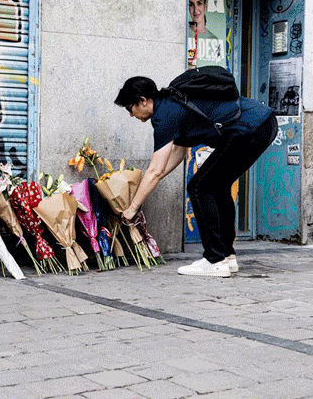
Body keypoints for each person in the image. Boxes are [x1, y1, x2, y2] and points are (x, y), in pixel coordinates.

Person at [115, 76, 277, 277]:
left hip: (251, 128)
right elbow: (177, 154)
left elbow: (155, 170)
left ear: (142, 101)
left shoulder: (164, 115)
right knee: (216, 185)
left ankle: (215, 260)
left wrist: (132, 208)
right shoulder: (171, 103)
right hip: (261, 124)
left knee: (200, 187)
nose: (131, 115)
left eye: (130, 109)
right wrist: (152, 181)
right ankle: (226, 256)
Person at [188, 0, 222, 66]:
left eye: (199, 3)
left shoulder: (214, 40)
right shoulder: (184, 35)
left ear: (205, 6)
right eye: (191, 4)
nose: (196, 10)